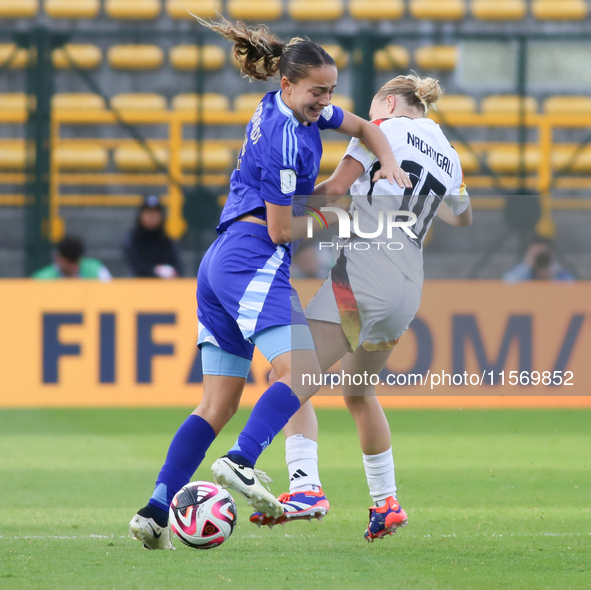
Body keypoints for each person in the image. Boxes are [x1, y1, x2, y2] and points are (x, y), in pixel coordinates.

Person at [128, 17, 411, 550]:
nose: (324, 101)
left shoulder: (287, 108)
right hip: (254, 255)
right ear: (287, 84)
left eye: (330, 90)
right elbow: (284, 228)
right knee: (302, 370)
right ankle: (241, 461)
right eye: (316, 91)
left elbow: (367, 130)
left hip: (222, 261)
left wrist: (386, 163)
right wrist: (339, 219)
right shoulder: (285, 139)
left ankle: (156, 509)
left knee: (215, 403)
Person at [249, 74, 473, 541]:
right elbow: (463, 217)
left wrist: (275, 210)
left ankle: (305, 486)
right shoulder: (449, 155)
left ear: (389, 102)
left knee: (292, 376)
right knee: (357, 392)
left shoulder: (383, 131)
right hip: (408, 284)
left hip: (366, 271)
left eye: (375, 108)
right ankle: (386, 503)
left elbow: (334, 187)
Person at [122, 195, 184, 278]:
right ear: (141, 215)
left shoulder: (166, 240)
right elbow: (135, 266)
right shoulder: (133, 239)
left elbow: (178, 266)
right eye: (148, 213)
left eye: (155, 213)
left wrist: (170, 271)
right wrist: (156, 271)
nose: (152, 217)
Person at [32, 235, 111, 281]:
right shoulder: (42, 279)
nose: (73, 266)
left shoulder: (97, 271)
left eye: (76, 261)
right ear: (58, 258)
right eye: (70, 262)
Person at [503, 234, 574, 282]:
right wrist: (527, 266)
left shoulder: (560, 274)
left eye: (543, 254)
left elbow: (571, 287)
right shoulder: (522, 273)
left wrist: (551, 276)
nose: (541, 258)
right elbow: (508, 283)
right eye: (537, 254)